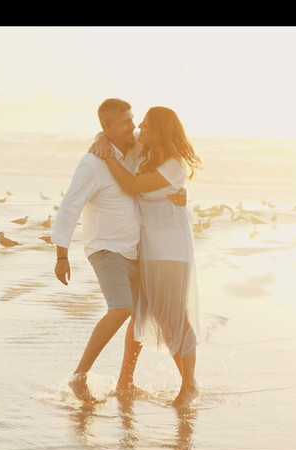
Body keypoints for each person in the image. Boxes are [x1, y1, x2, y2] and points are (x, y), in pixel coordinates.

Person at [52, 98, 185, 403]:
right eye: (126, 122)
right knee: (122, 308)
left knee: (140, 314)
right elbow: (69, 207)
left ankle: (126, 383)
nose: (134, 127)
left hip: (134, 250)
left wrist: (178, 191)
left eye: (133, 120)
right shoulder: (92, 164)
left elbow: (165, 159)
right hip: (105, 248)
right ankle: (79, 376)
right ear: (108, 126)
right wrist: (61, 255)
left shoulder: (132, 150)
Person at [91, 106, 202, 408]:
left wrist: (110, 156)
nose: (139, 127)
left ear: (161, 131)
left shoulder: (175, 165)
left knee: (173, 317)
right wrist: (102, 138)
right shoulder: (145, 148)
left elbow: (133, 185)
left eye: (146, 124)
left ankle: (189, 385)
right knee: (139, 313)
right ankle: (125, 381)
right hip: (145, 246)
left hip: (170, 248)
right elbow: (114, 132)